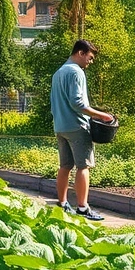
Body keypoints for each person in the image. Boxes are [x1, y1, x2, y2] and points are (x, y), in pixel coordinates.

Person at [51, 40, 114, 221]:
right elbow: (78, 103)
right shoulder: (76, 72)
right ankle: (82, 208)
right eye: (90, 57)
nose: (90, 62)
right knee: (83, 166)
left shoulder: (59, 72)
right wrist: (101, 115)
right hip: (77, 126)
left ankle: (62, 204)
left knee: (65, 166)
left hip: (60, 126)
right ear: (80, 53)